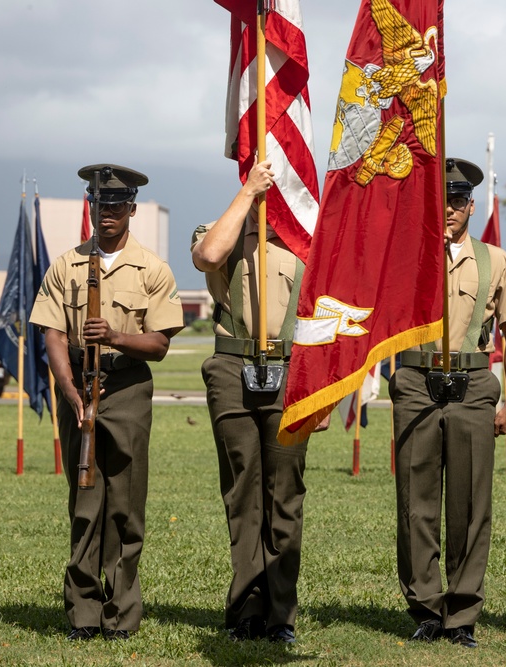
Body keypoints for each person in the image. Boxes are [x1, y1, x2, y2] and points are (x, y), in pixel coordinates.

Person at [31, 163, 185, 641]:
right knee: (84, 501)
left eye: (117, 205)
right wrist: (67, 387)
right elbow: (52, 333)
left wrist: (117, 335)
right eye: (100, 205)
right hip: (80, 387)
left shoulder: (153, 269)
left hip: (127, 388)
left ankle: (120, 613)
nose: (107, 213)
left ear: (132, 210)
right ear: (91, 207)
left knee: (125, 501)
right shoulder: (67, 265)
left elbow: (159, 345)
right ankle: (82, 612)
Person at [391, 158, 506, 648]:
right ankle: (427, 609)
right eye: (441, 199)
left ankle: (463, 613)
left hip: (474, 384)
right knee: (416, 500)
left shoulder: (497, 261)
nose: (449, 208)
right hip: (416, 380)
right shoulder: (406, 253)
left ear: (471, 205)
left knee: (472, 504)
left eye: (457, 199)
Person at [191, 160, 310, 644]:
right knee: (243, 494)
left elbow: (324, 323)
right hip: (233, 368)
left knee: (284, 496)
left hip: (291, 374)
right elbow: (207, 255)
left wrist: (318, 395)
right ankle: (247, 609)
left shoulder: (308, 243)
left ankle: (280, 614)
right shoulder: (223, 228)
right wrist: (246, 195)